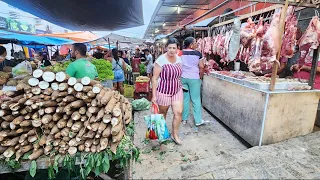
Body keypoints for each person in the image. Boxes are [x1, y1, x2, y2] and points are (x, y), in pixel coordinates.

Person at [152, 38, 183, 145]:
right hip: (163, 91)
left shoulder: (179, 59)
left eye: (174, 48)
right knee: (163, 113)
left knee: (178, 112)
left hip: (177, 90)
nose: (171, 50)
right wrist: (154, 96)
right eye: (169, 48)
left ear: (177, 49)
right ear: (166, 48)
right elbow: (155, 79)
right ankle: (161, 134)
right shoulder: (160, 60)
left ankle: (175, 135)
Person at [180, 37, 205, 126]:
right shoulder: (198, 53)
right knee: (196, 99)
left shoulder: (180, 53)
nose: (196, 44)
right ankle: (198, 120)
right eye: (195, 42)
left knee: (185, 99)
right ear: (191, 45)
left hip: (183, 78)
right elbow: (201, 66)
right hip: (194, 78)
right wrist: (200, 77)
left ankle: (184, 119)